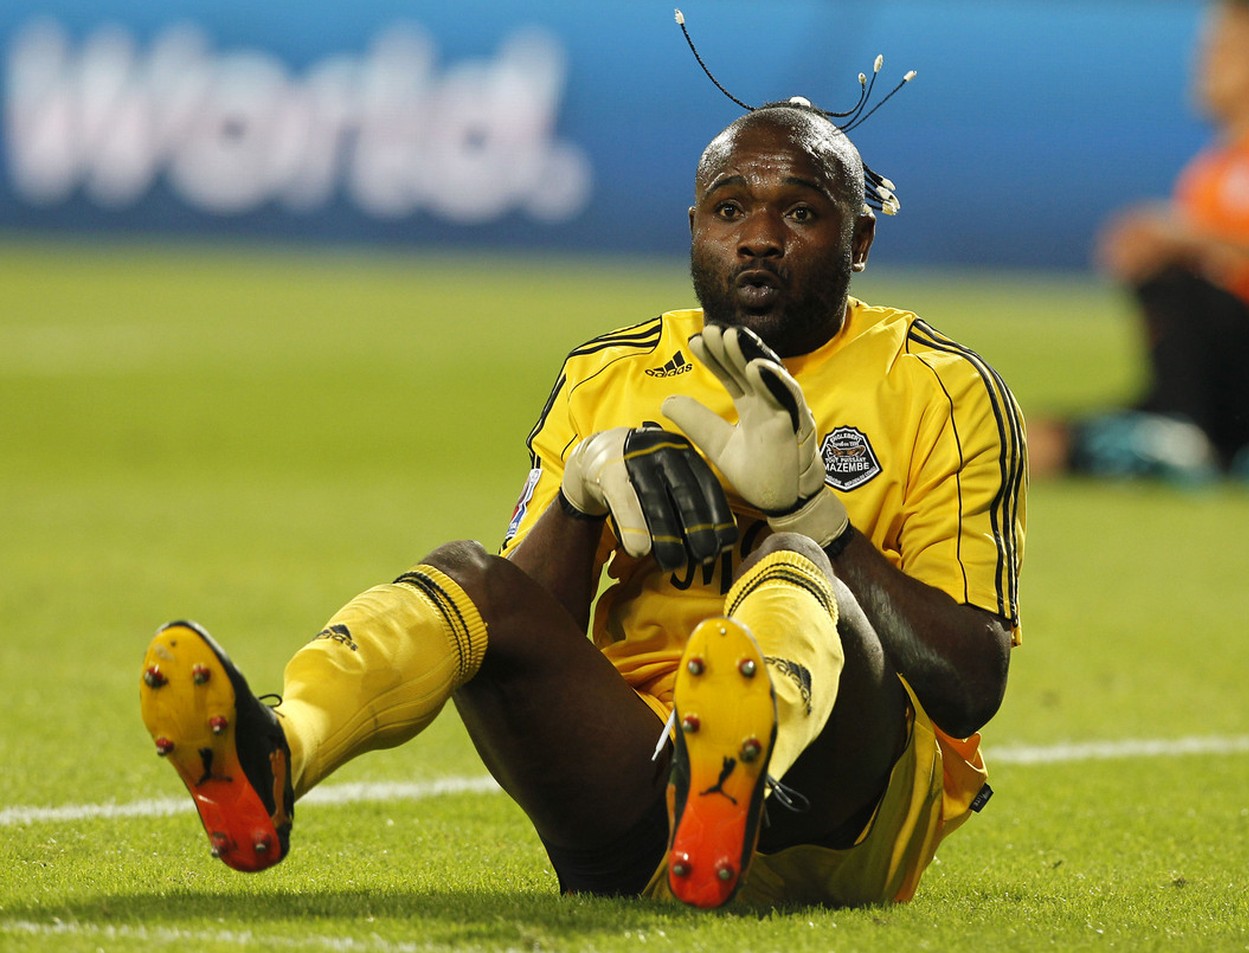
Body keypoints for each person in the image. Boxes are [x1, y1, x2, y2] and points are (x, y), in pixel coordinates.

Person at [139, 92, 1026, 908]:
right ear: (693, 230)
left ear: (859, 240)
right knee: (468, 579)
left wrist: (813, 517)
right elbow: (521, 632)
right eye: (729, 209)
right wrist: (581, 492)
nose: (758, 236)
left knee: (785, 560)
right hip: (639, 807)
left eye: (799, 211)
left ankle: (734, 768)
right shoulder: (610, 377)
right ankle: (277, 751)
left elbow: (970, 681)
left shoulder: (939, 387)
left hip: (851, 809)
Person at [1031, 0, 1249, 487]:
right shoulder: (1208, 175)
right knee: (1041, 439)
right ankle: (1239, 455)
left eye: (1231, 49)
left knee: (1173, 274)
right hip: (1218, 394)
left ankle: (1177, 436)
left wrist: (1188, 240)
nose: (1207, 61)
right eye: (1209, 47)